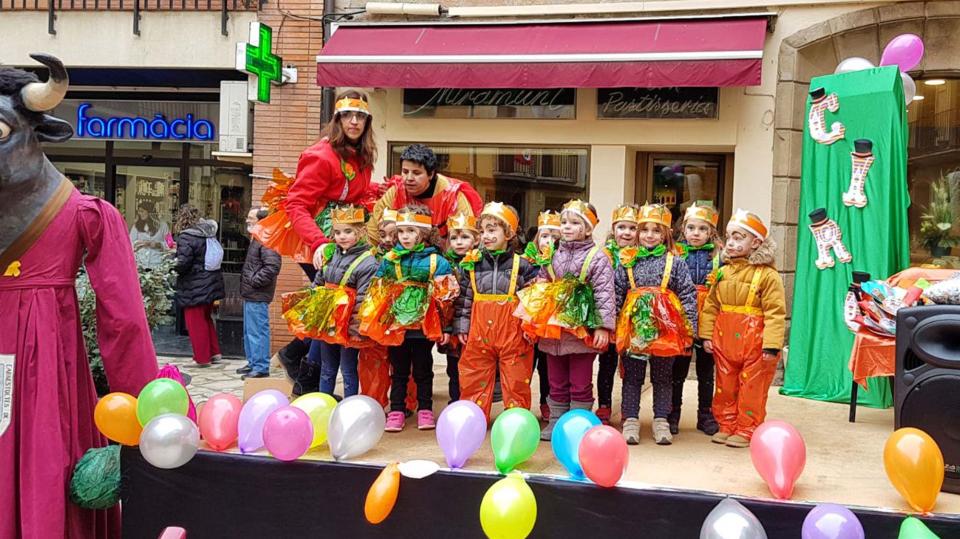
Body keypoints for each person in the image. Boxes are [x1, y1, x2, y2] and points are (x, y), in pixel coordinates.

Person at [0, 54, 158, 537]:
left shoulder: (85, 215)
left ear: (36, 135)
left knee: (44, 455)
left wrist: (146, 412)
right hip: (34, 367)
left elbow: (123, 320)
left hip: (46, 368)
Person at [252, 90, 381, 395]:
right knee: (331, 309)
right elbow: (297, 204)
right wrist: (319, 243)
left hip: (345, 240)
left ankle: (297, 362)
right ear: (337, 119)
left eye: (360, 116)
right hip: (319, 241)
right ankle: (306, 377)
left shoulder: (362, 157)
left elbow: (356, 195)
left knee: (333, 310)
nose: (354, 121)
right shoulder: (321, 155)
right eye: (348, 115)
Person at [518, 200, 615, 441]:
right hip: (553, 330)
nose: (567, 227)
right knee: (555, 380)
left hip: (581, 331)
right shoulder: (552, 255)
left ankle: (579, 424)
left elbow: (604, 293)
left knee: (580, 380)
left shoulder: (598, 257)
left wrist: (603, 326)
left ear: (589, 228)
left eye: (574, 223)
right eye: (564, 223)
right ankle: (556, 421)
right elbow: (543, 282)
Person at [360, 207, 457, 432]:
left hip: (424, 327)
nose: (404, 236)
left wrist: (446, 327)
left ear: (423, 233)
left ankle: (425, 409)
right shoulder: (389, 259)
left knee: (423, 368)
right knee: (399, 369)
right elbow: (378, 292)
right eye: (401, 231)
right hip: (397, 326)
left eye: (411, 231)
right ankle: (396, 410)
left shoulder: (437, 262)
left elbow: (447, 299)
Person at [700, 209, 786, 448]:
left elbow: (775, 312)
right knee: (725, 385)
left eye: (739, 237)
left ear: (756, 242)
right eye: (729, 237)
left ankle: (747, 428)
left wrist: (771, 344)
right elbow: (711, 305)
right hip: (725, 341)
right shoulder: (722, 272)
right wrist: (706, 335)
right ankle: (726, 425)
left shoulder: (768, 276)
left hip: (755, 343)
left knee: (752, 387)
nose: (732, 243)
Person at [615, 204, 698, 445]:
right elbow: (618, 293)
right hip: (634, 331)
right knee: (632, 377)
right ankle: (630, 420)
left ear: (666, 235)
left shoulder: (676, 263)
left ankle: (661, 420)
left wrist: (688, 329)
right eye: (644, 230)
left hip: (666, 331)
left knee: (663, 377)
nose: (649, 235)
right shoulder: (627, 261)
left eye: (656, 231)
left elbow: (687, 295)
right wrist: (614, 328)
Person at [454, 203, 537, 420]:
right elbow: (464, 299)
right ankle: (474, 417)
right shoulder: (472, 264)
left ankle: (516, 419)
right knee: (474, 374)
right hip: (479, 332)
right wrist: (462, 326)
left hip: (514, 334)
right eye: (482, 231)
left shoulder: (523, 265)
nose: (486, 236)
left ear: (508, 232)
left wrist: (530, 328)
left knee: (517, 377)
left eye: (492, 230)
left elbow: (531, 301)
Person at [303, 204, 378, 398]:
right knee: (327, 367)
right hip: (328, 322)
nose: (342, 236)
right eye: (337, 232)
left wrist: (355, 330)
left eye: (348, 231)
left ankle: (349, 406)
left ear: (360, 232)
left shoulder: (368, 262)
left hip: (348, 327)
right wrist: (310, 312)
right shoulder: (330, 254)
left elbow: (363, 299)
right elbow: (318, 284)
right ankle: (324, 403)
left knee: (348, 369)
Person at [669, 203, 722, 436]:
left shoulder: (719, 255)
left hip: (709, 317)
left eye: (702, 229)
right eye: (691, 227)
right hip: (683, 315)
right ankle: (673, 412)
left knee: (706, 370)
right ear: (683, 229)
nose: (696, 233)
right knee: (678, 369)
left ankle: (705, 413)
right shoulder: (675, 253)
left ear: (711, 232)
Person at [368, 144, 483, 246]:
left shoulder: (453, 196)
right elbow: (372, 235)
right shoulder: (395, 192)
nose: (409, 178)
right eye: (405, 172)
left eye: (416, 173)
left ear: (431, 174)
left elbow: (468, 238)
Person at [596, 204, 641, 425]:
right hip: (610, 318)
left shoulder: (641, 256)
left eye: (632, 228)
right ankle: (604, 405)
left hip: (633, 318)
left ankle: (628, 407)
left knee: (631, 364)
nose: (626, 233)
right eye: (621, 227)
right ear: (613, 229)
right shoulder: (603, 254)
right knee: (607, 363)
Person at [173, 204, 226, 367]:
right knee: (206, 318)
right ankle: (214, 352)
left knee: (195, 322)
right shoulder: (208, 234)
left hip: (195, 286)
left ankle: (202, 358)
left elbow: (183, 263)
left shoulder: (186, 237)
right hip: (211, 283)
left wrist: (171, 261)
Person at [521, 211, 561, 421]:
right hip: (530, 323)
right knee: (525, 365)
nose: (550, 241)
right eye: (546, 236)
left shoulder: (562, 262)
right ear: (537, 238)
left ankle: (547, 402)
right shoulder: (525, 262)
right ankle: (520, 402)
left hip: (551, 324)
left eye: (555, 237)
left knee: (547, 367)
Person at [440, 212, 480, 403]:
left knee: (473, 367)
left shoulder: (480, 263)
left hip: (475, 324)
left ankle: (472, 401)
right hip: (452, 326)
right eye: (454, 237)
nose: (459, 242)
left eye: (465, 237)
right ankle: (455, 401)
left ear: (476, 239)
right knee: (453, 367)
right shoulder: (445, 264)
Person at [238, 208, 281, 379]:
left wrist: (254, 281)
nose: (247, 220)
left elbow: (272, 266)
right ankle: (253, 363)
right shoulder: (258, 238)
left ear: (261, 221)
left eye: (251, 218)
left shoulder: (267, 239)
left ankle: (261, 366)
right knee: (250, 331)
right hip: (252, 293)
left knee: (257, 331)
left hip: (257, 293)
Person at [129, 200, 171, 269]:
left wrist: (158, 244)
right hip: (141, 263)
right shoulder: (136, 226)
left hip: (157, 263)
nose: (140, 213)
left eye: (142, 211)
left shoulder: (163, 225)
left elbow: (170, 243)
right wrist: (140, 243)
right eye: (139, 211)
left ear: (149, 212)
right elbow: (130, 243)